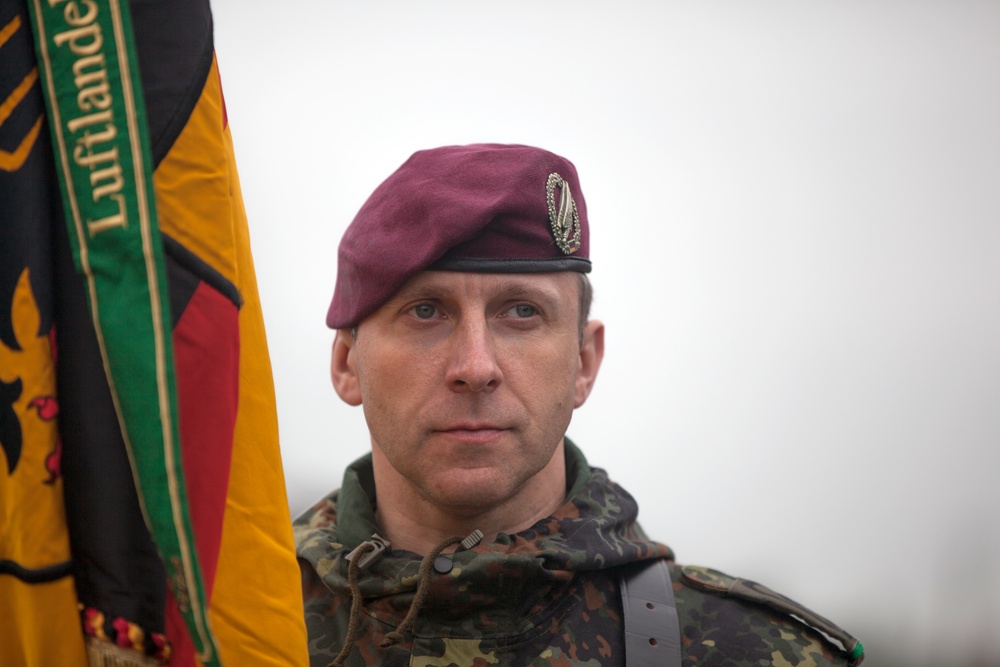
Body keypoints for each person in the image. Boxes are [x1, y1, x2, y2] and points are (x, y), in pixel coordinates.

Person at [294, 143, 865, 667]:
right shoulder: (226, 625)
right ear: (348, 365)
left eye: (522, 312)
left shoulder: (761, 655)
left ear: (584, 363)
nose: (475, 367)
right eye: (425, 311)